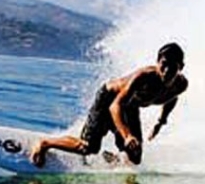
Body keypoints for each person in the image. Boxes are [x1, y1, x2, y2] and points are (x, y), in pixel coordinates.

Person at [31, 42, 187, 168]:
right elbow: (115, 106)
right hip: (109, 99)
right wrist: (127, 135)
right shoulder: (144, 77)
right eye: (163, 64)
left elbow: (171, 98)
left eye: (172, 67)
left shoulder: (180, 85)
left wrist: (161, 122)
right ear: (157, 62)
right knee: (88, 147)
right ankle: (45, 143)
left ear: (181, 67)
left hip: (130, 107)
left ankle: (113, 159)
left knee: (135, 157)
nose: (166, 71)